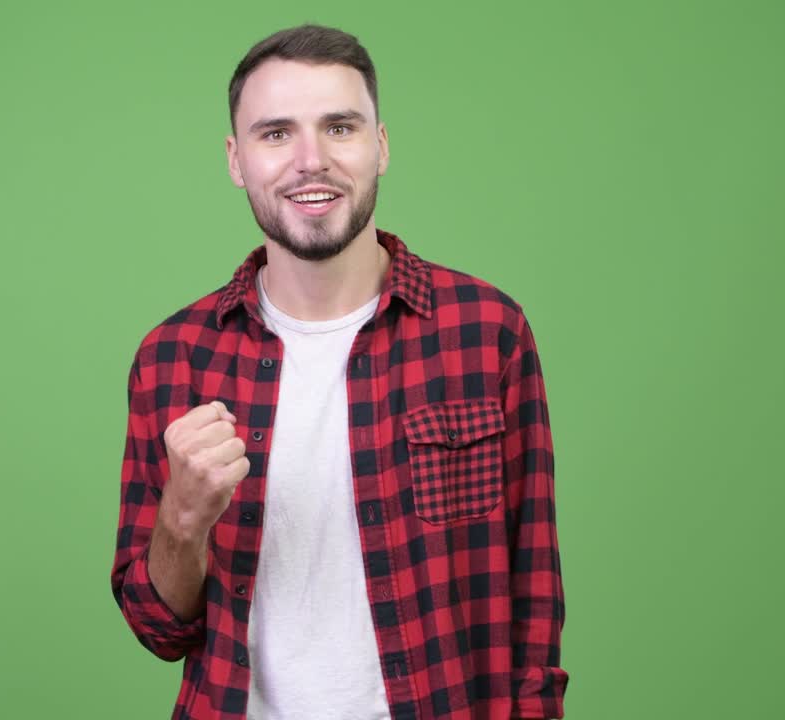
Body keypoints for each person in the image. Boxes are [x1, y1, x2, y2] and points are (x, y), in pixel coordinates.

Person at [112, 25, 567, 719]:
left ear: (380, 145)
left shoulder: (486, 333)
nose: (310, 160)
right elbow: (159, 628)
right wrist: (181, 518)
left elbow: (534, 607)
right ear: (236, 161)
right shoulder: (173, 358)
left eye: (340, 127)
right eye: (275, 134)